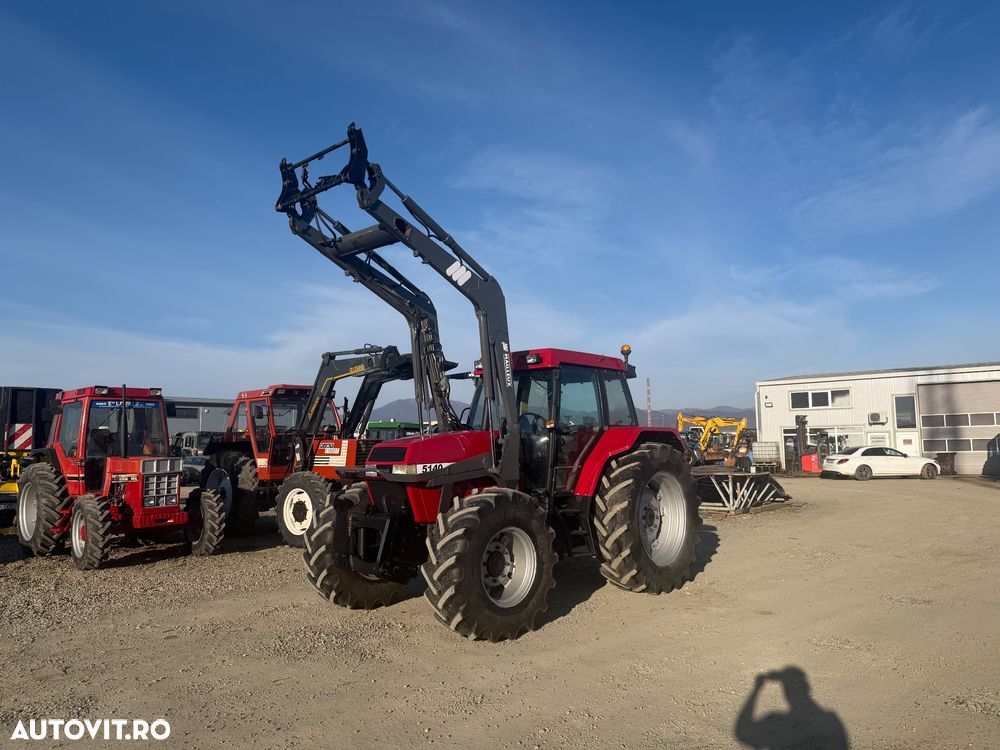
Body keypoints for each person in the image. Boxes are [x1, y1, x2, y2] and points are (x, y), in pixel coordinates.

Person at [735, 667, 849, 749]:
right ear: (808, 688)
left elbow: (742, 732)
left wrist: (757, 688)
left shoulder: (774, 719)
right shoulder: (831, 720)